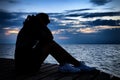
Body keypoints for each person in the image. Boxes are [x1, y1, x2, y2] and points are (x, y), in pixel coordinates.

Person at [15, 13, 95, 75]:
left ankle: (66, 64)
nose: (46, 25)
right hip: (25, 67)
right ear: (42, 21)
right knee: (50, 43)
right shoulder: (32, 27)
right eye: (46, 23)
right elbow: (50, 37)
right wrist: (42, 24)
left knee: (49, 43)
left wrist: (40, 24)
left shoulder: (29, 26)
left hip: (24, 65)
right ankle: (75, 64)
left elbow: (46, 39)